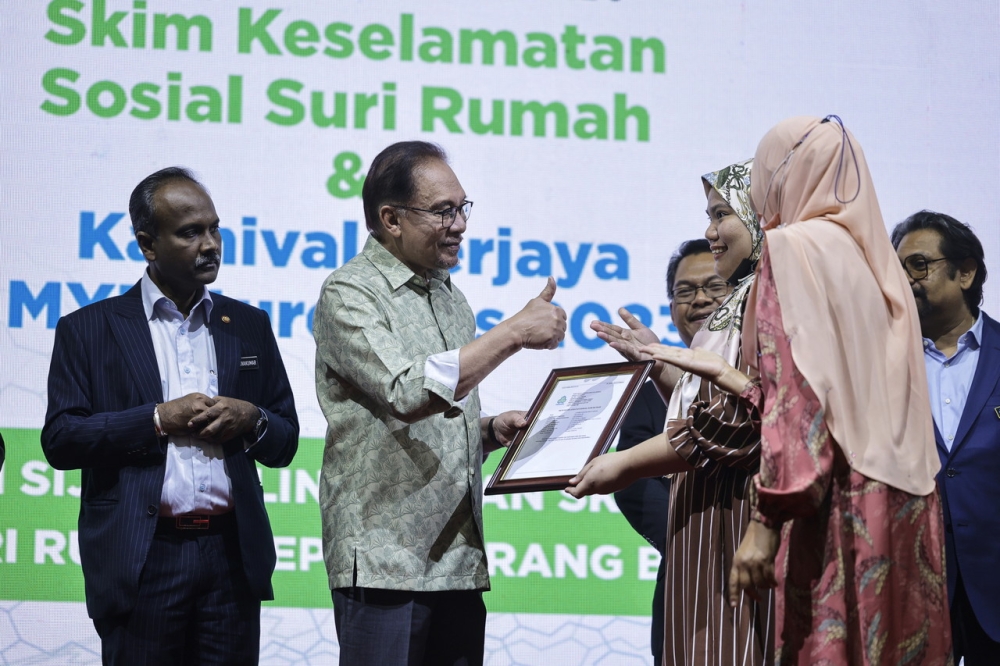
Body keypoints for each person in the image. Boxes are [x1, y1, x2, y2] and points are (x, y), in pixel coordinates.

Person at [641, 116, 951, 665]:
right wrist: (724, 376)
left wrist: (764, 526)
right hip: (903, 508)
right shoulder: (875, 260)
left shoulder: (790, 250)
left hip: (835, 503)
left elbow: (799, 403)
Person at [313, 141, 566, 666]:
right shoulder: (349, 293)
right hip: (387, 560)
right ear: (391, 218)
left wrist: (490, 429)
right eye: (442, 211)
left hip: (457, 559)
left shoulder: (450, 297)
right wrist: (514, 332)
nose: (460, 225)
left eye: (462, 208)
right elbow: (405, 392)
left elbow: (438, 413)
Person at [41, 167, 300, 665]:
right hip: (143, 560)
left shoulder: (247, 325)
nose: (210, 244)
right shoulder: (89, 329)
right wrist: (157, 419)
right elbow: (61, 440)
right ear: (148, 244)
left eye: (215, 228)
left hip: (231, 559)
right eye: (190, 232)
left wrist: (251, 418)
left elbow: (285, 441)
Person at [571, 160, 775, 666]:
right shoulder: (735, 310)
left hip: (740, 526)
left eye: (721, 215)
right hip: (700, 533)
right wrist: (657, 364)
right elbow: (709, 402)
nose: (710, 232)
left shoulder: (765, 304)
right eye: (708, 217)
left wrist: (621, 465)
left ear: (759, 216)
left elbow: (737, 421)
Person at [613, 238, 731, 666]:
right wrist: (696, 539)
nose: (699, 299)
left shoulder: (763, 374)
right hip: (686, 579)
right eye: (685, 291)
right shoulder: (646, 395)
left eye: (714, 287)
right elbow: (634, 487)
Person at [892, 211, 999, 665]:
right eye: (896, 268)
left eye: (919, 264)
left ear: (966, 272)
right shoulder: (881, 363)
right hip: (908, 584)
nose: (905, 279)